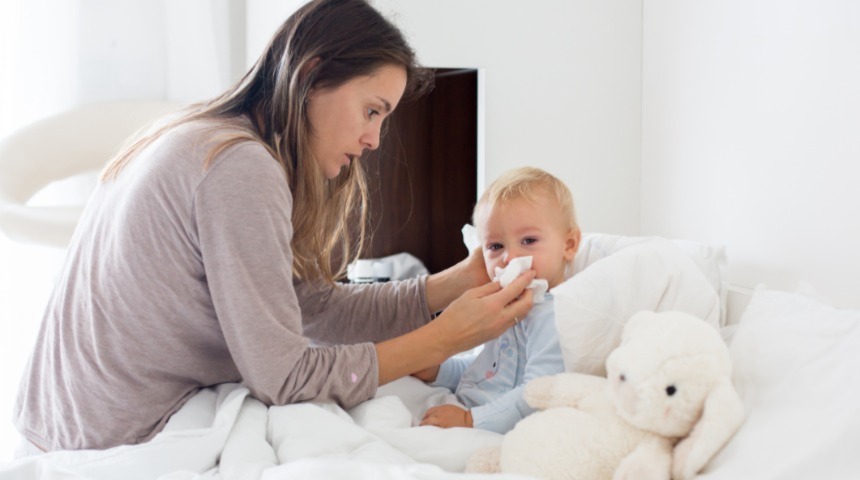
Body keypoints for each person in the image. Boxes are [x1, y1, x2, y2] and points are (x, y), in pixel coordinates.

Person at [12, 0, 536, 455]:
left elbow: (309, 306)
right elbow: (284, 378)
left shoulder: (205, 134)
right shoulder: (240, 166)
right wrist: (442, 339)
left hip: (61, 425)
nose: (375, 139)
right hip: (108, 441)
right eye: (371, 110)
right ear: (311, 76)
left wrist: (456, 282)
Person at [415, 167, 581, 434]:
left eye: (528, 240)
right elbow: (486, 372)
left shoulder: (555, 315)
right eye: (496, 246)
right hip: (465, 407)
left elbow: (537, 395)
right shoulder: (504, 306)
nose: (509, 257)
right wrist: (439, 371)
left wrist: (471, 420)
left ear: (569, 245)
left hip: (497, 427)